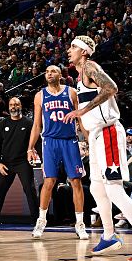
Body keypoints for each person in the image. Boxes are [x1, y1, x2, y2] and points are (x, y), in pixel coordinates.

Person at [64, 35, 132, 261]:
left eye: (73, 47)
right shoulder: (79, 76)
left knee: (114, 190)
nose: (68, 50)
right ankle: (109, 235)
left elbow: (111, 87)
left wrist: (81, 111)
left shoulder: (90, 66)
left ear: (84, 51)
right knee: (97, 189)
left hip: (109, 132)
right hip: (98, 136)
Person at [27, 66, 88, 240]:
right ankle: (41, 220)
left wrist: (88, 137)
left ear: (60, 75)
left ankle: (80, 223)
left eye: (53, 71)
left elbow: (80, 118)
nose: (49, 74)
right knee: (49, 181)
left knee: (76, 181)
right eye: (47, 72)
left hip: (70, 140)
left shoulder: (71, 92)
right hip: (50, 142)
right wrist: (30, 147)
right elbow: (37, 124)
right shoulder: (40, 95)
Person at [0, 97, 39, 229]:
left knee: (29, 190)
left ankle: (37, 220)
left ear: (21, 106)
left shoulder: (29, 123)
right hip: (6, 163)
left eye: (16, 104)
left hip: (23, 162)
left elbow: (36, 142)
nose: (13, 107)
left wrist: (42, 160)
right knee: (0, 191)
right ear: (8, 107)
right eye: (11, 104)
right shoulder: (2, 124)